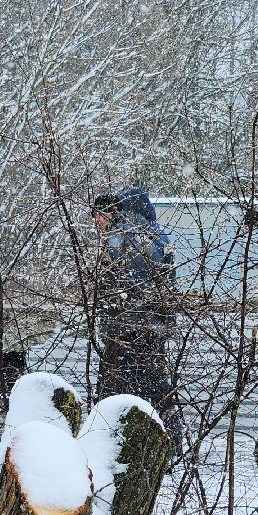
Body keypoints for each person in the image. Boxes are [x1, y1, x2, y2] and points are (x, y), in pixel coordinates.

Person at [92, 190, 183, 452]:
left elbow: (125, 289)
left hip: (129, 332)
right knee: (155, 391)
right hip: (150, 329)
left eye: (98, 214)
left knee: (116, 395)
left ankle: (116, 450)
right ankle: (166, 446)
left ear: (115, 211)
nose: (96, 221)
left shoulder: (126, 239)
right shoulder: (154, 235)